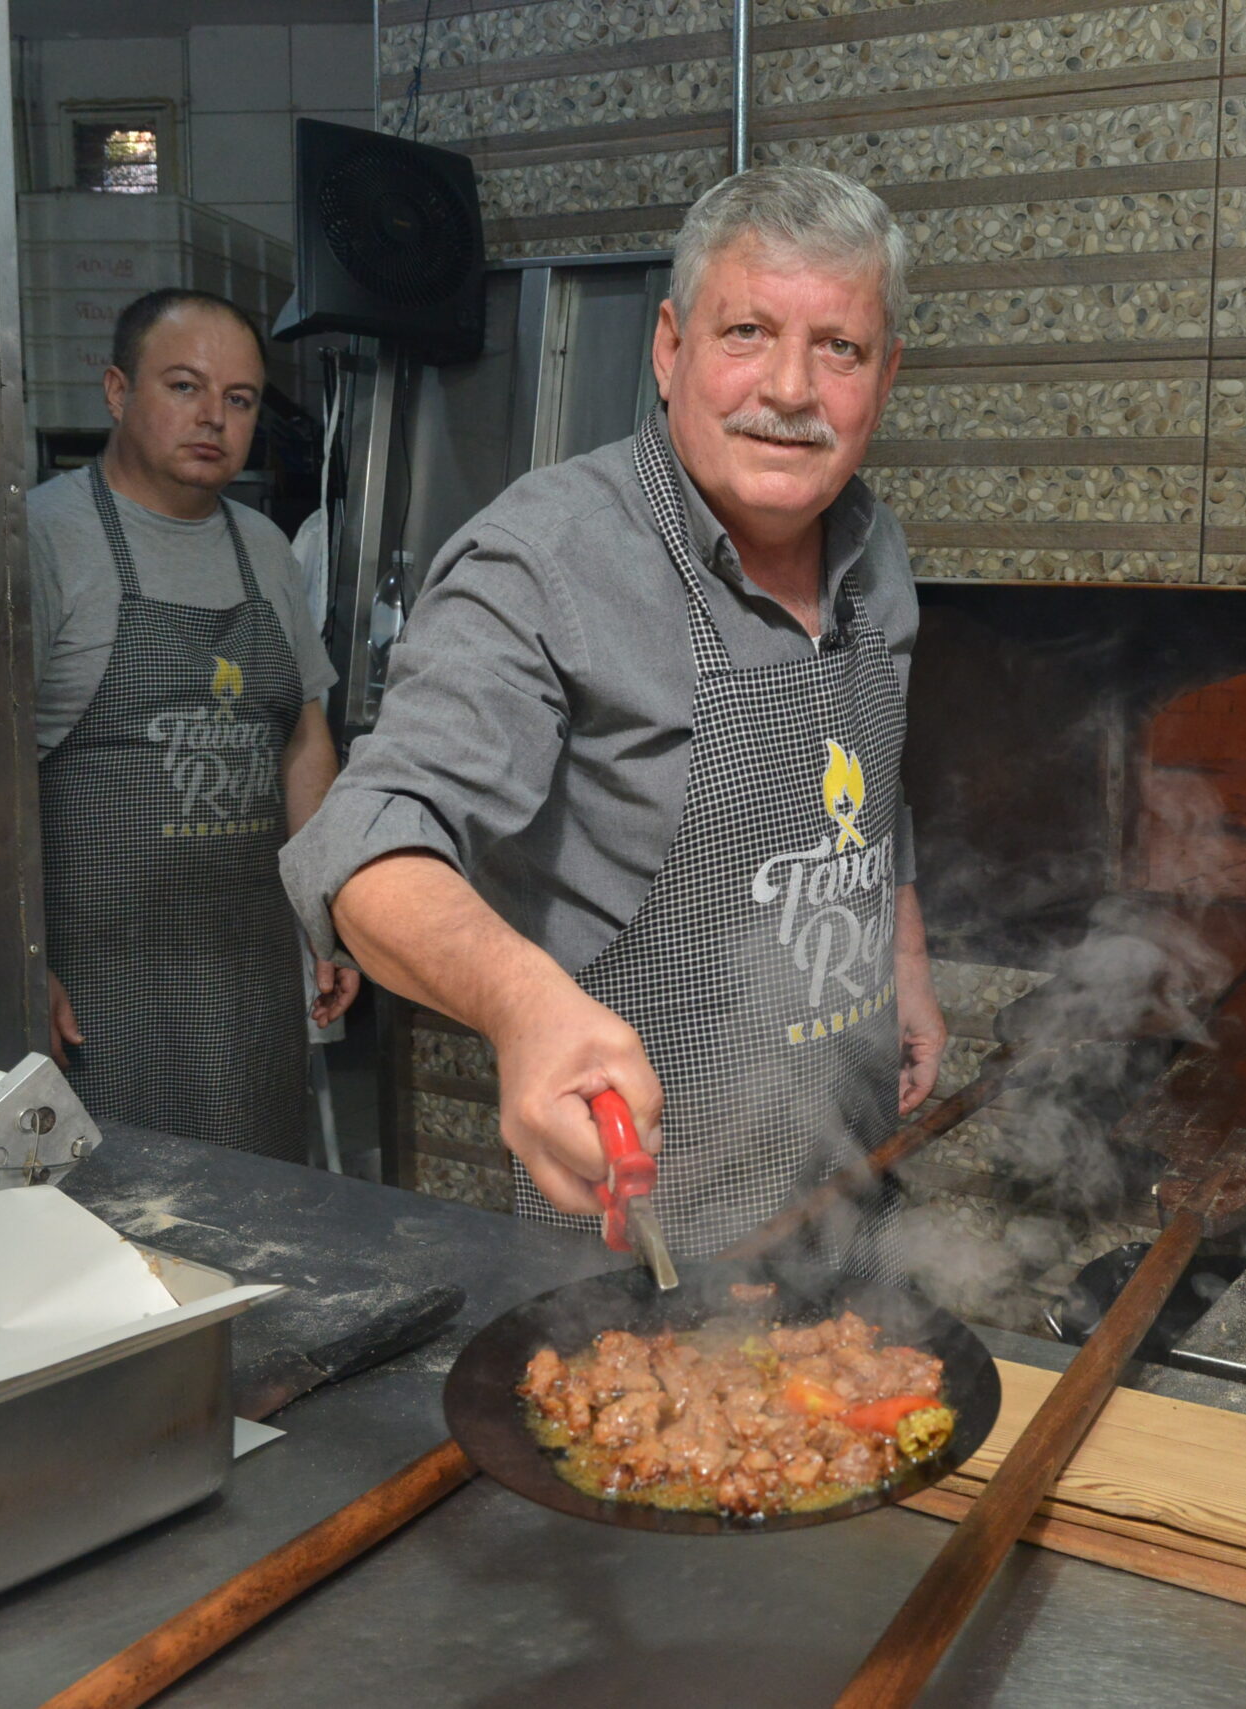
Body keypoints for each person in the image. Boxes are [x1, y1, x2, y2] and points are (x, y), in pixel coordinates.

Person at [282, 166, 944, 1264]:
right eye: (747, 331)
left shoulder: (874, 546)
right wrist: (523, 1008)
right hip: (646, 1217)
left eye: (840, 347)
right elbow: (364, 841)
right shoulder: (544, 557)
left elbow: (870, 781)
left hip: (845, 1158)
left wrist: (903, 959)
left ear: (886, 374)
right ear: (670, 346)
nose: (790, 387)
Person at [29, 287, 359, 1161]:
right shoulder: (43, 540)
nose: (213, 417)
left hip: (246, 973)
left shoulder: (266, 551)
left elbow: (303, 740)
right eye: (183, 387)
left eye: (240, 399)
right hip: (97, 989)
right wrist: (19, 962)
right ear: (115, 391)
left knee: (266, 1216)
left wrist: (332, 917)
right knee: (121, 1243)